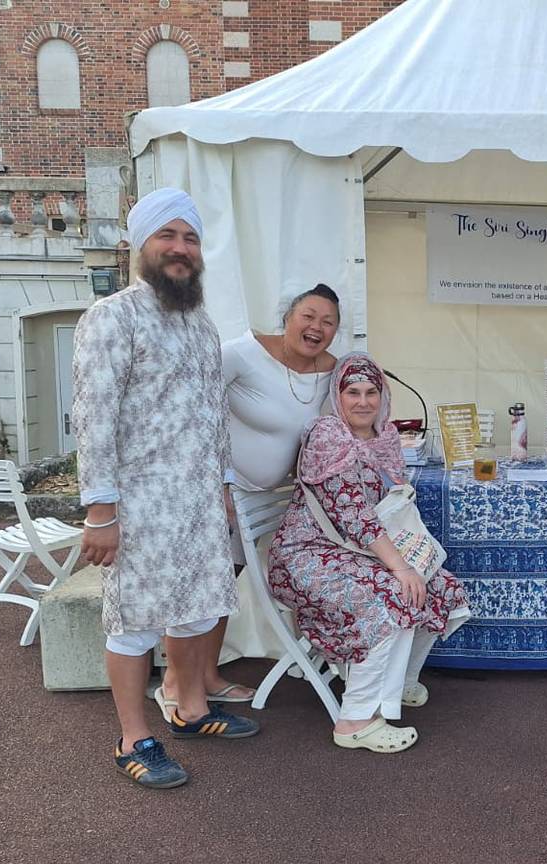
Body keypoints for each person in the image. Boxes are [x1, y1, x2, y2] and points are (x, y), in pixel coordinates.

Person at [72, 186, 259, 790]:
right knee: (134, 623)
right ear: (140, 245)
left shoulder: (201, 325)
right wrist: (101, 511)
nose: (181, 248)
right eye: (168, 236)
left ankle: (190, 709)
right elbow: (93, 417)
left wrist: (223, 485)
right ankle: (133, 738)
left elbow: (213, 414)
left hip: (198, 502)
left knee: (196, 609)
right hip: (139, 504)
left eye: (191, 239)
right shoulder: (112, 317)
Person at [147, 284, 342, 719]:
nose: (317, 327)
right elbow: (189, 409)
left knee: (224, 583)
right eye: (308, 316)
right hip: (211, 491)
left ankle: (208, 675)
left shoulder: (333, 370)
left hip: (261, 498)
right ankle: (175, 684)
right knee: (197, 589)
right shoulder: (242, 353)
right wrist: (217, 481)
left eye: (328, 322)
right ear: (287, 318)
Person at [267, 353, 471, 753]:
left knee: (441, 585)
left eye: (371, 392)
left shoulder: (384, 436)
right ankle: (356, 720)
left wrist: (408, 564)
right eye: (352, 392)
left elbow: (384, 506)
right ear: (337, 396)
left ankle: (399, 682)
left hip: (349, 549)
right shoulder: (329, 437)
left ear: (383, 395)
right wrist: (401, 567)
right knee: (394, 595)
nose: (363, 402)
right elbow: (354, 515)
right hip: (304, 556)